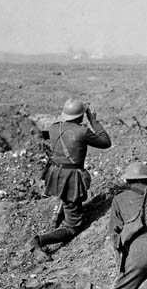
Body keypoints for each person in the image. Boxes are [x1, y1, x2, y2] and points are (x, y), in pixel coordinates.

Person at [26, 98, 112, 262]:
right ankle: (39, 240)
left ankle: (62, 211)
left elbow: (43, 134)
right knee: (73, 227)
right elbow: (106, 142)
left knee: (68, 201)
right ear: (81, 117)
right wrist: (93, 120)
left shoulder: (53, 128)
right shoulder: (82, 131)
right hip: (71, 178)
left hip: (56, 175)